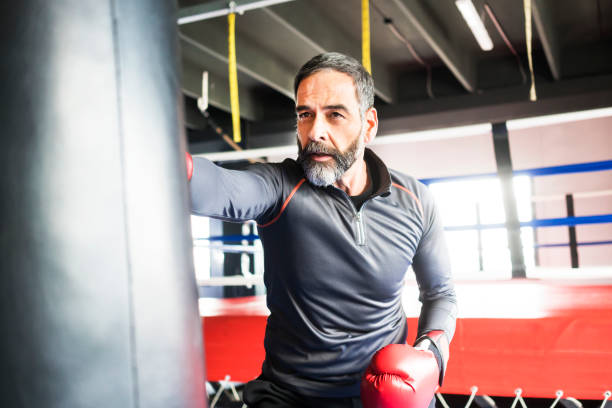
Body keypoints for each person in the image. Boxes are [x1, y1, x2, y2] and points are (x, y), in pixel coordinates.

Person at [188, 52, 457, 408]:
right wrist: (159, 159)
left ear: (369, 124)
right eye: (305, 114)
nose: (315, 131)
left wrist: (430, 354)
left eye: (335, 114)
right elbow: (221, 187)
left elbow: (440, 292)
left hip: (386, 395)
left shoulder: (416, 201)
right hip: (290, 397)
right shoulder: (280, 186)